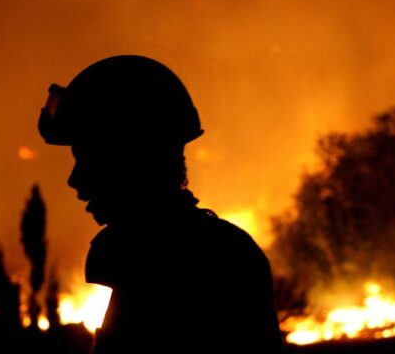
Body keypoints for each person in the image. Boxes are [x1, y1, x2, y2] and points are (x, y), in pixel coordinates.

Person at [38, 55, 283, 353]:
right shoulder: (194, 252)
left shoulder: (176, 264)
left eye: (87, 158)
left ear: (133, 158)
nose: (74, 180)